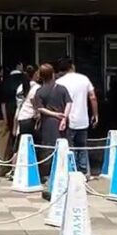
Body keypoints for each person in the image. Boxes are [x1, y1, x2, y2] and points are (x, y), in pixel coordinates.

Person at [33, 63, 71, 200]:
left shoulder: (40, 91)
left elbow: (40, 109)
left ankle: (49, 178)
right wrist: (64, 117)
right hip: (63, 123)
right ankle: (65, 174)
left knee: (48, 149)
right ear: (53, 74)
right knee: (65, 148)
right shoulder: (61, 88)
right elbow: (69, 103)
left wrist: (54, 115)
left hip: (48, 123)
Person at [56, 57, 98, 178]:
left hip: (66, 119)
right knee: (82, 147)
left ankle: (72, 171)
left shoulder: (60, 82)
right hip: (83, 119)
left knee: (70, 147)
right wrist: (95, 114)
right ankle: (84, 172)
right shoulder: (84, 79)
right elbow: (93, 97)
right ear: (72, 66)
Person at [14, 65, 40, 139]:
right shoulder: (36, 87)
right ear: (35, 74)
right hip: (30, 118)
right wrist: (37, 112)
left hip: (20, 117)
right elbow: (33, 99)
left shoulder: (20, 87)